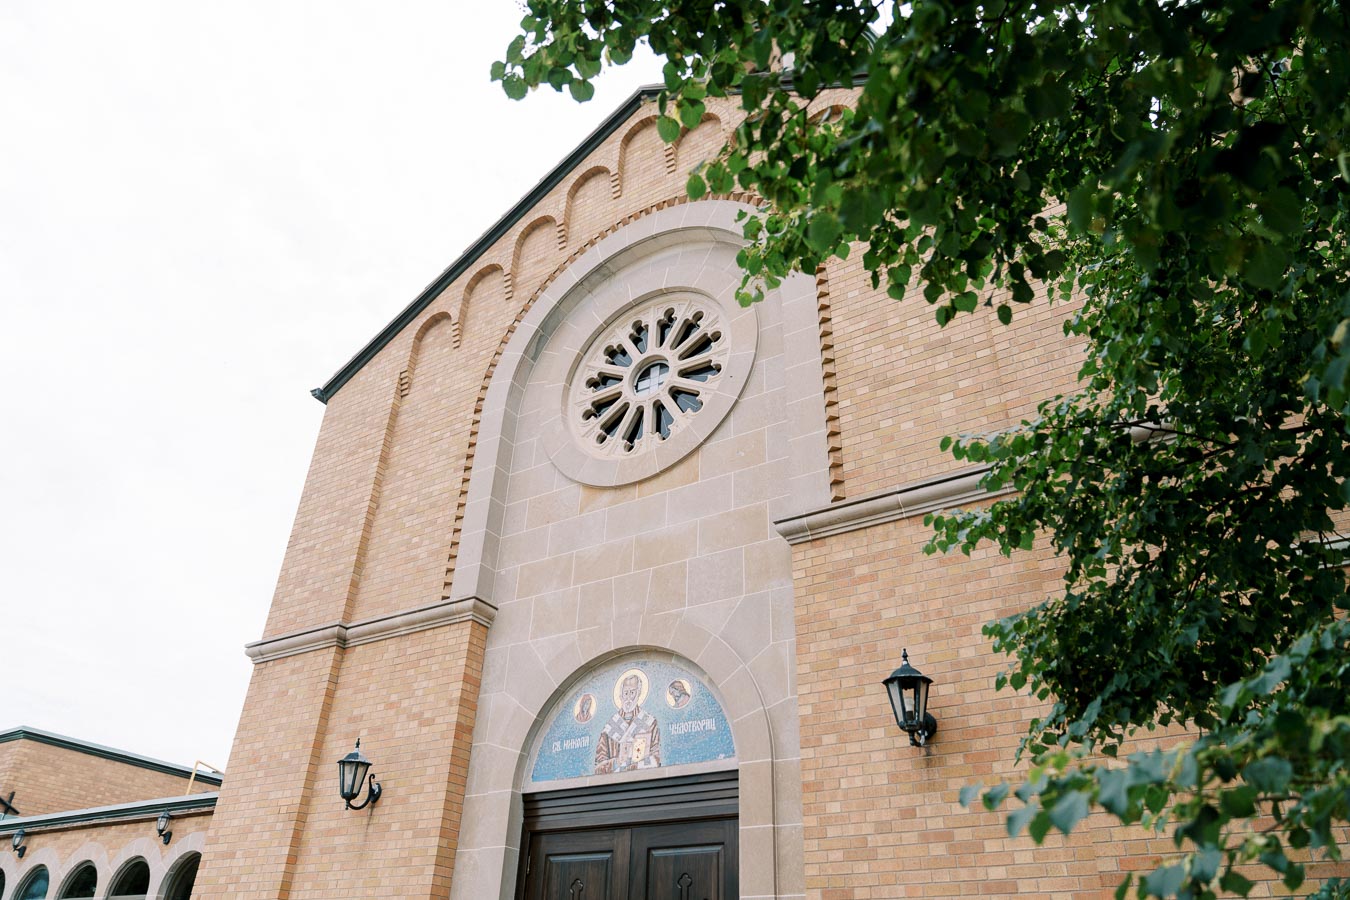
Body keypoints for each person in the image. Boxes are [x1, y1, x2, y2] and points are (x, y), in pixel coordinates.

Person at [594, 672, 662, 774]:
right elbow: (598, 767)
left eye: (632, 692)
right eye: (626, 693)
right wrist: (617, 762)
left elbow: (656, 758)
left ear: (639, 693)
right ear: (621, 695)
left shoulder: (649, 722)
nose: (629, 698)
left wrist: (633, 765)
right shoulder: (610, 726)